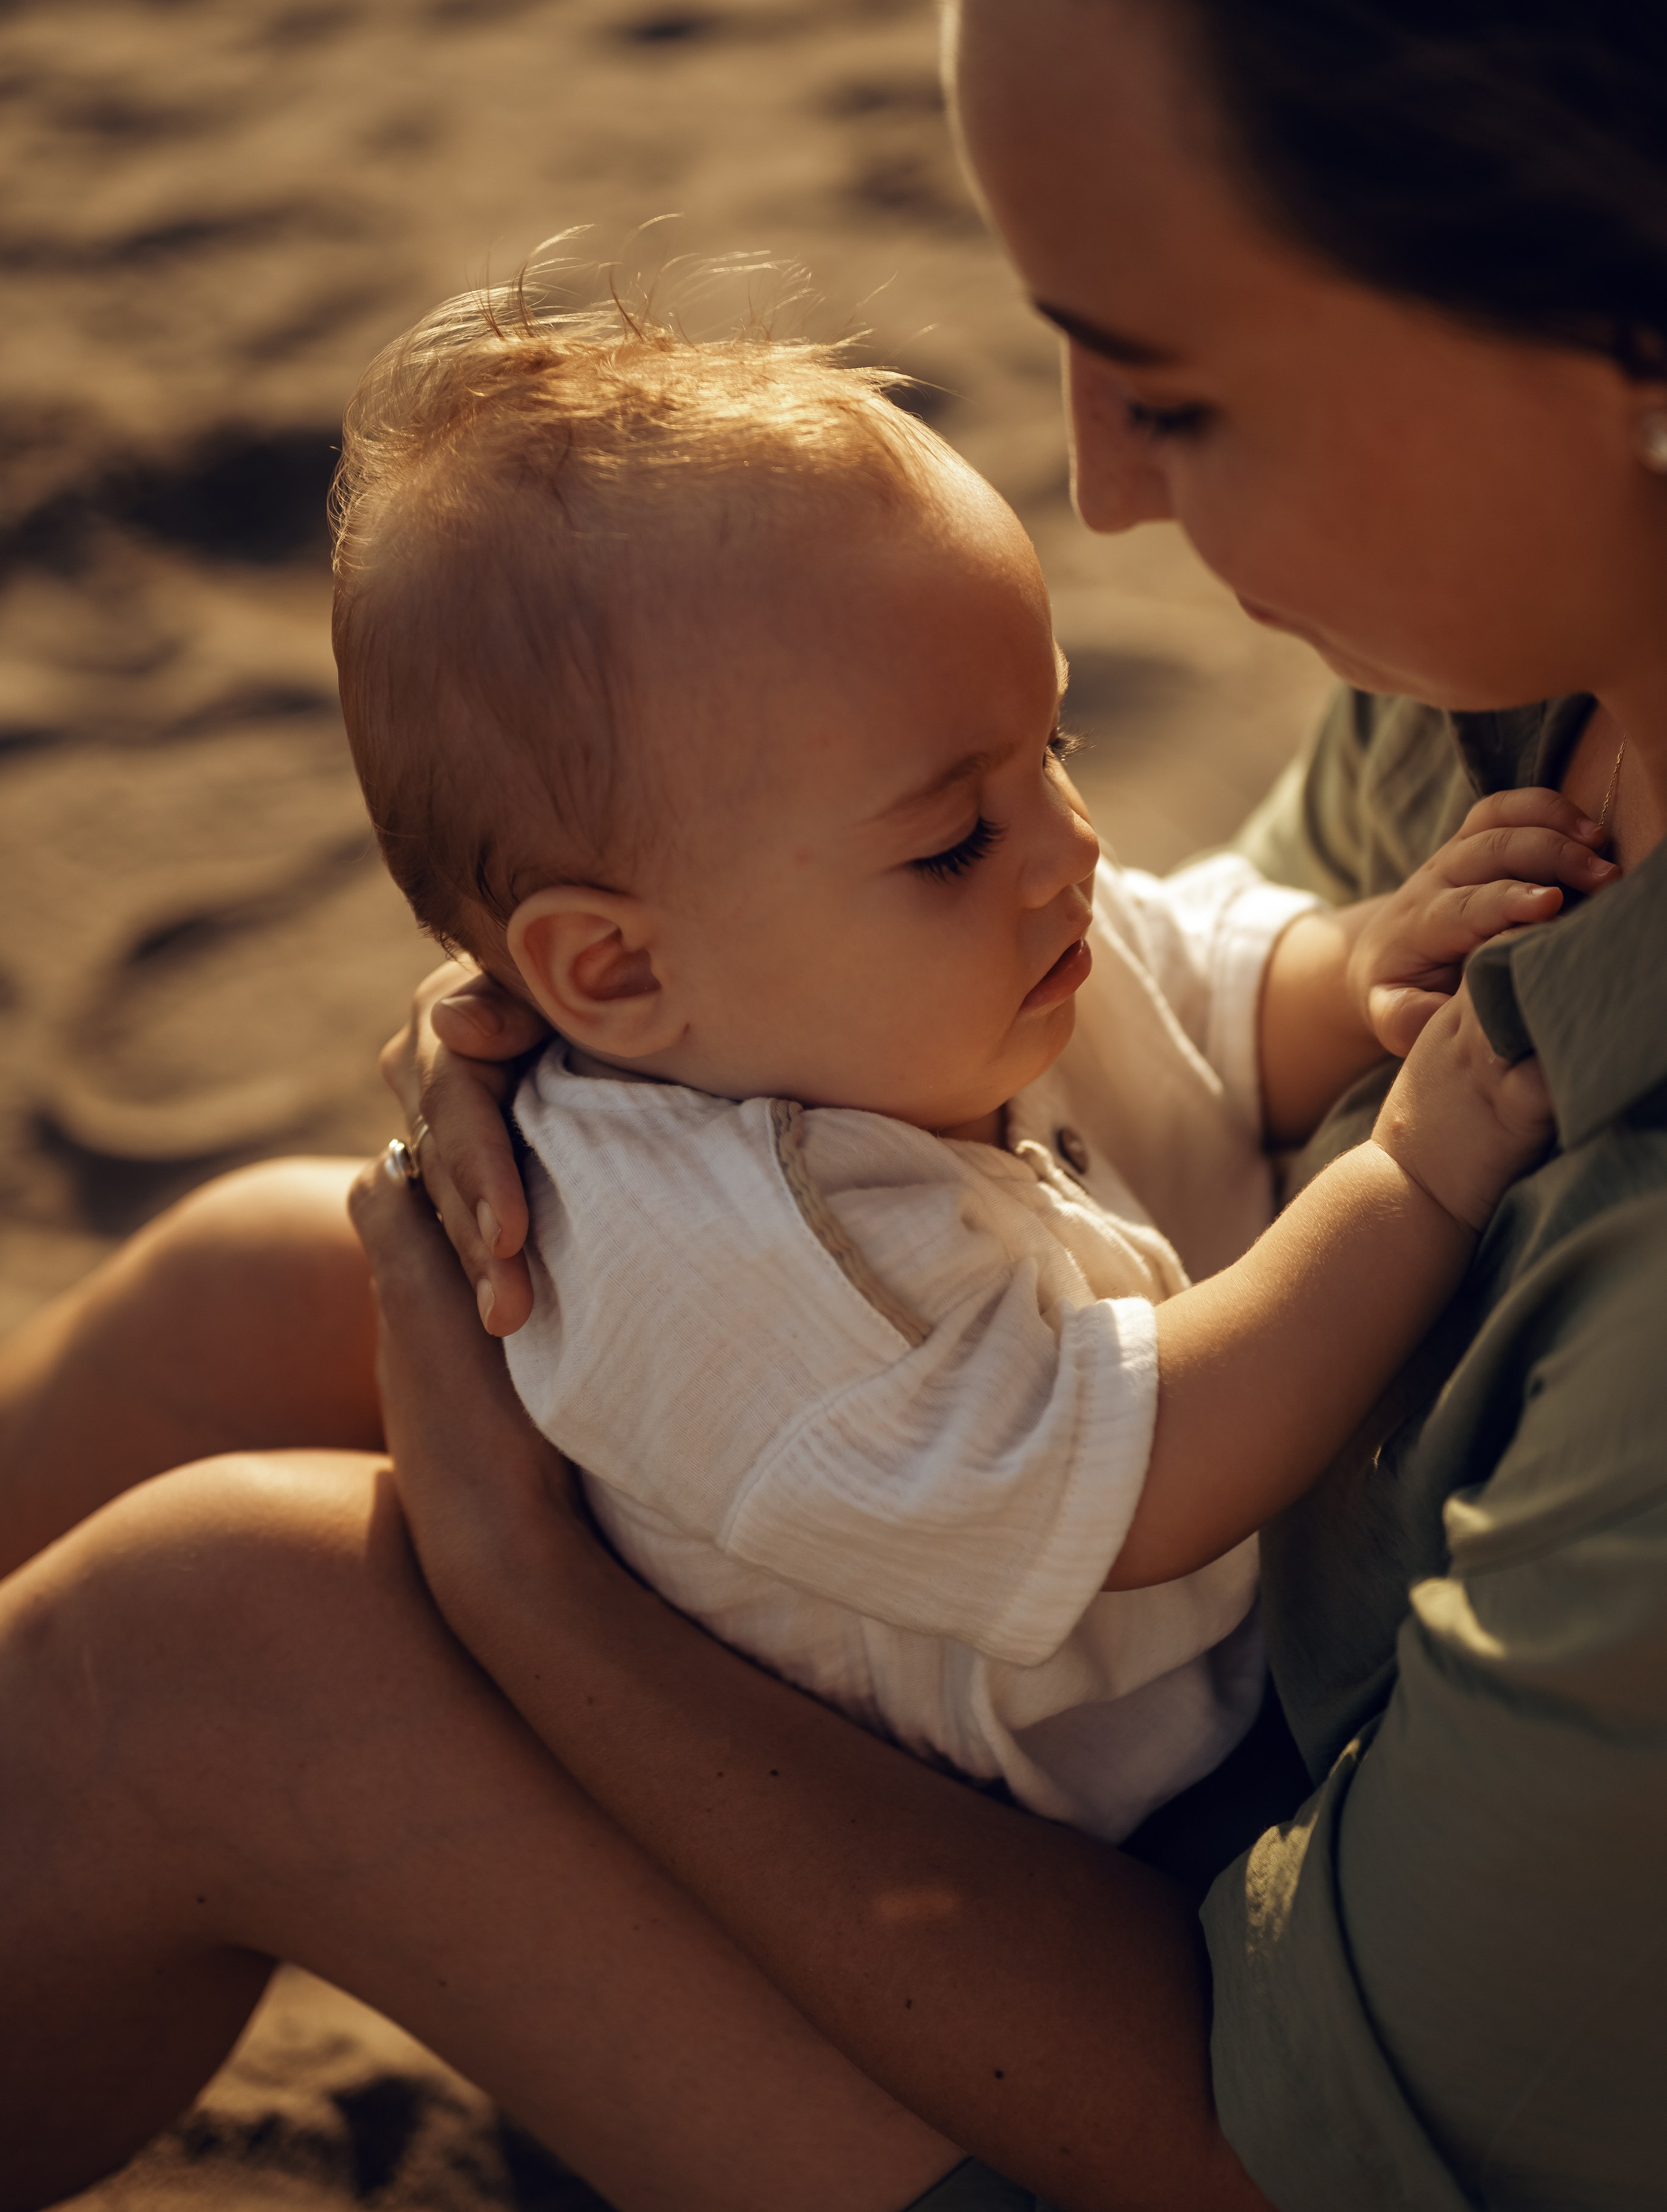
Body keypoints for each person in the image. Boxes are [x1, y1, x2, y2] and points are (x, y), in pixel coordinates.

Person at [3, 0, 1666, 2205]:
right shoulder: (1539, 656)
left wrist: (532, 1596)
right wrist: (602, 1060)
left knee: (206, 1648)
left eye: (1180, 382)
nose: (1100, 483)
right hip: (1127, 1701)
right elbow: (1197, 990)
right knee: (281, 1267)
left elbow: (1305, 2135)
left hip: (1220, 2044)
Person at [330, 282, 1564, 1843]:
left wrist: (1359, 967)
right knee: (227, 1449)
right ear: (619, 969)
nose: (1066, 849)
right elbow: (1154, 1478)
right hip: (1047, 1826)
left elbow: (1200, 983)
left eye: (1049, 747)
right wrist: (1410, 1172)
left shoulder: (934, 954)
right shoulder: (737, 1262)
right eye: (950, 837)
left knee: (247, 1271)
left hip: (1143, 1691)